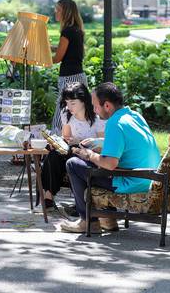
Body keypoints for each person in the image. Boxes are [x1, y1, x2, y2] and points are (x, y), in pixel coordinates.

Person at [60, 82, 161, 234]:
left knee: (74, 164)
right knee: (89, 164)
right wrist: (99, 143)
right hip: (149, 177)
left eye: (95, 106)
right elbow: (128, 144)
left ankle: (88, 221)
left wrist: (89, 154)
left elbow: (110, 164)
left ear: (107, 106)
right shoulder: (134, 116)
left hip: (131, 182)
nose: (93, 110)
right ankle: (107, 218)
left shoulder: (114, 123)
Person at [39, 82, 105, 208]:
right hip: (72, 151)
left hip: (90, 155)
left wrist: (80, 141)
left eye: (73, 103)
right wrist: (57, 142)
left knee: (73, 160)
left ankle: (81, 202)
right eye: (67, 102)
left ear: (84, 101)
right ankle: (48, 196)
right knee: (53, 155)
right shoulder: (66, 114)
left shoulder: (97, 119)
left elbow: (102, 145)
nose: (69, 107)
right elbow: (66, 138)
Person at [51, 0, 88, 135]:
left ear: (66, 12)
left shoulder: (67, 32)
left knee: (61, 113)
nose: (56, 12)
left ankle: (54, 142)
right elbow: (68, 50)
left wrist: (39, 59)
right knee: (79, 113)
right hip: (79, 76)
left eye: (58, 10)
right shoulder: (76, 30)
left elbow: (57, 58)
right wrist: (49, 47)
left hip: (69, 79)